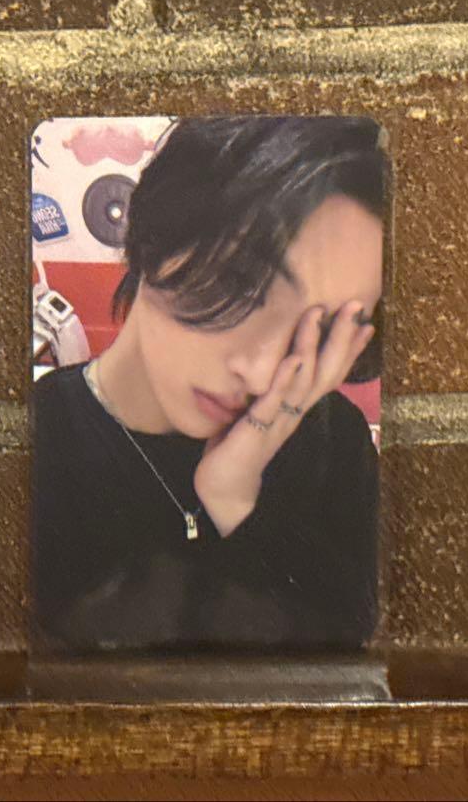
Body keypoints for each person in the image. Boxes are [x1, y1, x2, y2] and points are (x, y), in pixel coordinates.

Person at [33, 116, 386, 652]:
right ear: (156, 230)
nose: (263, 373)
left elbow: (355, 661)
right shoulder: (36, 440)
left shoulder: (335, 445)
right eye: (243, 286)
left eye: (321, 331)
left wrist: (238, 501)